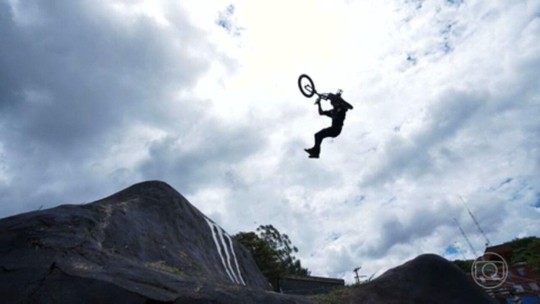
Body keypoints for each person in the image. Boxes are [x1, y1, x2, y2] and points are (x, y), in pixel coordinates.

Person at [304, 89, 353, 158]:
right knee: (317, 135)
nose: (332, 103)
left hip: (337, 130)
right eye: (332, 102)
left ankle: (316, 152)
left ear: (337, 103)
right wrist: (319, 104)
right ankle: (315, 152)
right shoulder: (332, 111)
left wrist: (340, 99)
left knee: (319, 135)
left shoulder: (342, 109)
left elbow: (351, 107)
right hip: (333, 129)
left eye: (334, 102)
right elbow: (321, 113)